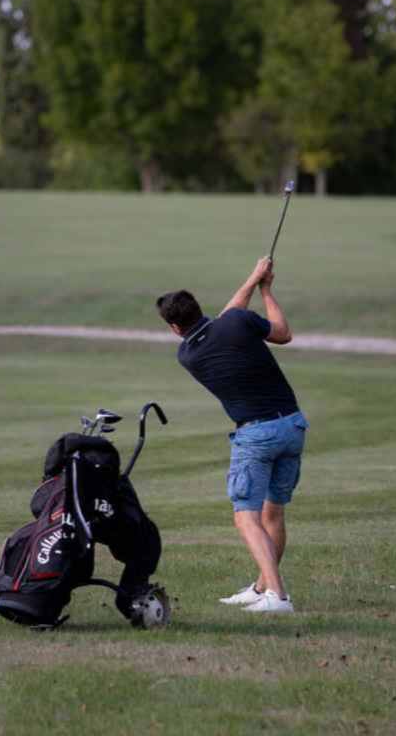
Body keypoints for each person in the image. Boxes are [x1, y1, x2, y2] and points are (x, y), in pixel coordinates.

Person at [155, 257, 308, 614]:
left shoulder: (188, 354)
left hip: (256, 436)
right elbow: (281, 332)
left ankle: (278, 597)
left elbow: (226, 319)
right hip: (293, 426)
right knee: (273, 515)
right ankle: (261, 587)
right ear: (199, 309)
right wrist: (264, 288)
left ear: (175, 327)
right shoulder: (237, 323)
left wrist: (255, 281)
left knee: (245, 517)